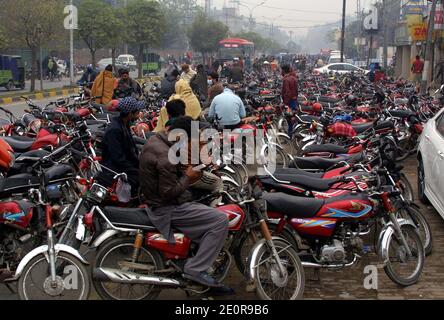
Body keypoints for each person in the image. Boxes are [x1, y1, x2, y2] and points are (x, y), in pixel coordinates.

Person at [139, 116, 229, 288]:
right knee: (220, 220)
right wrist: (188, 177)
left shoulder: (156, 139)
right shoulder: (166, 155)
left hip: (164, 201)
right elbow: (168, 193)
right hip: (167, 208)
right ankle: (195, 268)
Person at [100, 97, 145, 191]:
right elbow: (118, 158)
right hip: (115, 167)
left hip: (125, 163)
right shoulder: (115, 130)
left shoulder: (124, 124)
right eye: (136, 113)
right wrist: (136, 169)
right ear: (129, 114)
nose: (138, 116)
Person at [281, 64, 299, 135]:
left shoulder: (286, 80)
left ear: (284, 71)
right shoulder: (294, 78)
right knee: (293, 118)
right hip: (294, 100)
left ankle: (290, 135)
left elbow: (287, 93)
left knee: (289, 119)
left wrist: (285, 103)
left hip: (289, 102)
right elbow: (296, 91)